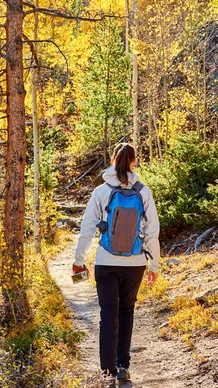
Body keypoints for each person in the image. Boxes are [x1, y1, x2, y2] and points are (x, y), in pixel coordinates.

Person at [73, 142, 160, 383]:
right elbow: (152, 231)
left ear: (113, 161)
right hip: (135, 264)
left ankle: (107, 371)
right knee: (126, 311)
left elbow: (87, 228)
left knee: (108, 313)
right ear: (134, 163)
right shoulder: (143, 191)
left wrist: (78, 261)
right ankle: (123, 366)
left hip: (106, 262)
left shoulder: (101, 191)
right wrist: (154, 265)